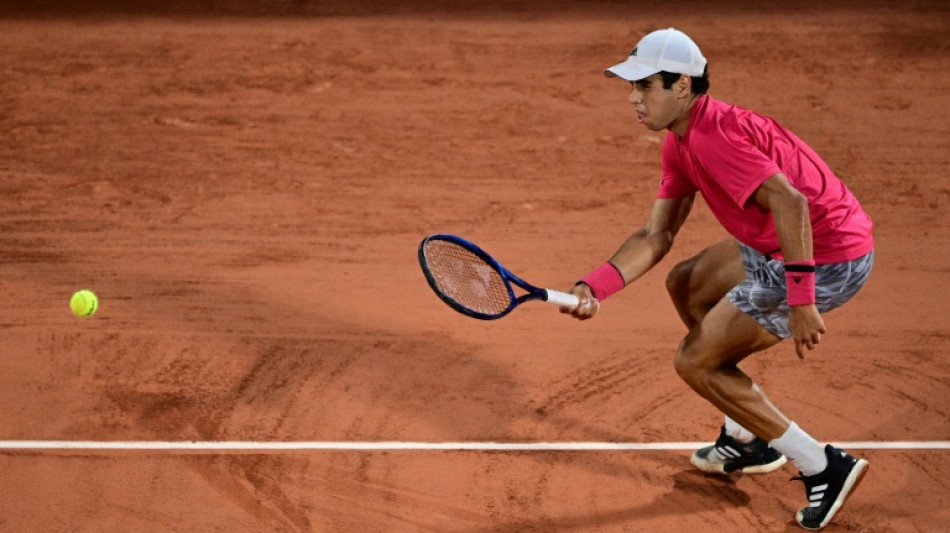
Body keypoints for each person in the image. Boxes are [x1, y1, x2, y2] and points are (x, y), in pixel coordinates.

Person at [563, 28, 874, 531]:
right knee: (688, 284)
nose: (633, 98)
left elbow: (791, 202)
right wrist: (594, 287)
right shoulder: (681, 139)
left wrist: (801, 299)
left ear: (682, 86)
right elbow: (657, 234)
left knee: (696, 362)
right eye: (632, 86)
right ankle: (747, 437)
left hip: (825, 255)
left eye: (645, 86)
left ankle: (822, 465)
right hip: (780, 241)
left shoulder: (715, 138)